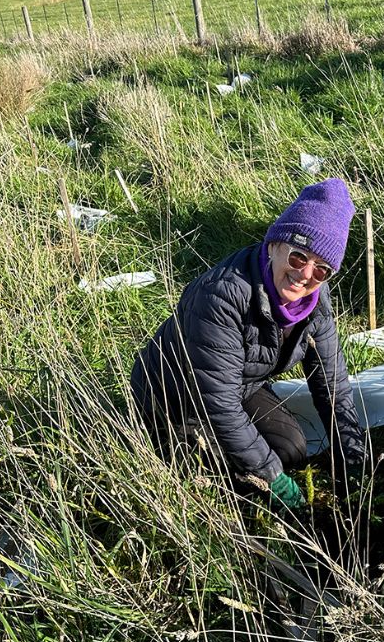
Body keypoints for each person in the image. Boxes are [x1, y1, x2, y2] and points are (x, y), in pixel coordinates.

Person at [130, 178, 366, 511]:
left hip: (241, 386)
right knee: (223, 475)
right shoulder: (221, 296)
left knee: (291, 450)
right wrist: (272, 478)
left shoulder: (315, 302)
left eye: (322, 269)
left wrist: (353, 461)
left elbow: (333, 388)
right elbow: (220, 406)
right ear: (274, 245)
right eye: (299, 258)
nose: (305, 275)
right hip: (176, 400)